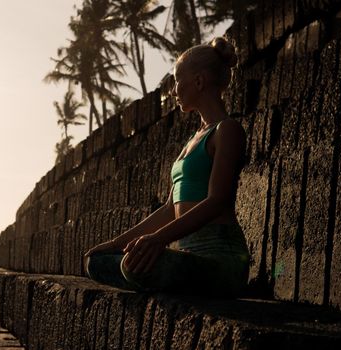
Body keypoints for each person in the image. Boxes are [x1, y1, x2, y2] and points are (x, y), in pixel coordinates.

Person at [83, 37, 250, 298]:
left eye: (177, 80)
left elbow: (217, 201)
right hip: (185, 255)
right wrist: (117, 243)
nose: (173, 90)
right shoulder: (192, 140)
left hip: (220, 259)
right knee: (98, 262)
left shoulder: (226, 130)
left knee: (133, 267)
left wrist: (159, 239)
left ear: (198, 81)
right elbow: (170, 209)